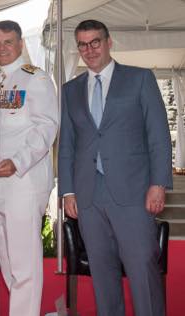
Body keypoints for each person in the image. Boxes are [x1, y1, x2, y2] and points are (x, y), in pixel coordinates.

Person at [58, 19, 172, 316]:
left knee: (141, 269)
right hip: (88, 195)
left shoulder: (140, 79)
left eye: (95, 42)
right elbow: (67, 144)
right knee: (102, 273)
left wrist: (158, 184)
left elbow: (158, 135)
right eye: (83, 44)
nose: (89, 49)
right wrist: (68, 190)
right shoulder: (70, 90)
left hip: (134, 193)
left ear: (109, 42)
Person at [0, 20, 58, 316]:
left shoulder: (36, 79)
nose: (1, 48)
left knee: (24, 262)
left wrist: (17, 162)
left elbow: (47, 127)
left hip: (24, 182)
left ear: (20, 44)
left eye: (8, 42)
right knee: (8, 260)